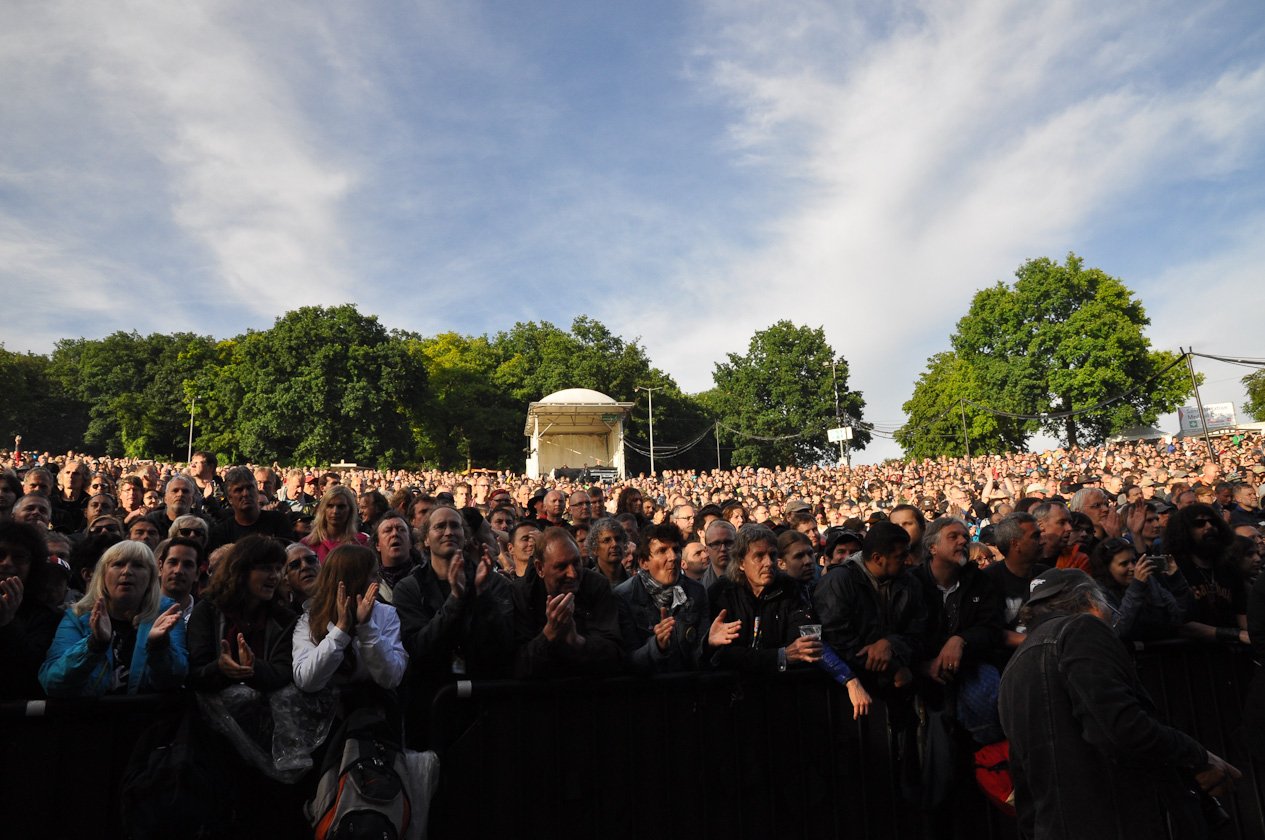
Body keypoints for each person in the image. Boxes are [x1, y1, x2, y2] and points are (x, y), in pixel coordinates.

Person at [998, 568, 1241, 839]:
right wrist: (1198, 756)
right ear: (1091, 600)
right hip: (1120, 820)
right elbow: (1122, 728)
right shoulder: (1081, 628)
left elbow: (1024, 780)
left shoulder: (1014, 667)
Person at [394, 506, 515, 746]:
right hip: (431, 706)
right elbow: (419, 647)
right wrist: (455, 600)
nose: (448, 531)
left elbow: (505, 643)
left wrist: (483, 597)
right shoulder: (408, 588)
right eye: (440, 526)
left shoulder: (492, 582)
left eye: (455, 525)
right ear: (426, 539)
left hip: (484, 703)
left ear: (466, 535)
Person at [39, 540, 185, 696]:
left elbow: (175, 679)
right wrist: (93, 645)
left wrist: (160, 647)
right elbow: (52, 682)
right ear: (103, 575)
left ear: (150, 578)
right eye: (118, 564)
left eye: (138, 565)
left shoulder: (165, 614)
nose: (127, 571)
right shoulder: (78, 616)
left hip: (147, 717)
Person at [912, 517, 1005, 745]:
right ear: (932, 547)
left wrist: (961, 639)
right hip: (919, 673)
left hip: (971, 667)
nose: (963, 540)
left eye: (964, 535)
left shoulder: (980, 581)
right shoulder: (911, 584)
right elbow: (903, 631)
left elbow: (992, 627)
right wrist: (923, 665)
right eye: (953, 537)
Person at [614, 523, 732, 674]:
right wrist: (656, 646)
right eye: (662, 551)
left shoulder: (696, 592)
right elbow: (627, 661)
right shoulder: (624, 597)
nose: (672, 557)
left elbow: (697, 658)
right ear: (644, 562)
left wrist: (708, 644)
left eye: (676, 550)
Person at [292, 543, 407, 696]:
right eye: (372, 575)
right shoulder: (310, 618)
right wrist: (339, 631)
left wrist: (367, 628)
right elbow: (306, 681)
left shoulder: (386, 614)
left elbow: (392, 677)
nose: (378, 581)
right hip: (327, 711)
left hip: (372, 705)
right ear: (353, 581)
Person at [187, 535, 296, 695]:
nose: (274, 576)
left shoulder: (284, 619)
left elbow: (284, 671)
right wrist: (219, 668)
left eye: (278, 569)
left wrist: (252, 667)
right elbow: (195, 672)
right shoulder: (208, 611)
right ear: (241, 570)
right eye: (266, 568)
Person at [512, 526, 623, 679]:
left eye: (576, 563)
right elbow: (517, 666)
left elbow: (616, 653)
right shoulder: (522, 594)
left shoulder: (596, 585)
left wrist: (578, 641)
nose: (572, 574)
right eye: (561, 567)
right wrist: (549, 634)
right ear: (540, 568)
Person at [708, 524, 821, 674]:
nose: (768, 563)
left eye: (772, 555)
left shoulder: (792, 589)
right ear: (741, 563)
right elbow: (723, 655)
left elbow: (803, 648)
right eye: (759, 556)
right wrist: (780, 655)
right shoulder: (721, 592)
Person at [1086, 537, 1189, 642]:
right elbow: (1118, 630)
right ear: (1107, 568)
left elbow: (1181, 616)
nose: (1133, 568)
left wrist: (1176, 580)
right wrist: (1137, 587)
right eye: (1124, 564)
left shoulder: (1149, 581)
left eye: (1134, 561)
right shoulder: (1098, 592)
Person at [0, 521, 60, 699]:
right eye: (0, 554)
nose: (6, 563)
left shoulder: (47, 616)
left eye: (18, 557)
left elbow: (32, 673)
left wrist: (7, 624)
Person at [207, 467, 294, 550]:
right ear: (230, 498)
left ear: (257, 491)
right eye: (239, 490)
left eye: (250, 488)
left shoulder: (279, 521)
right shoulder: (222, 532)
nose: (245, 493)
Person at [302, 485, 369, 563]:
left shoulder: (361, 543)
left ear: (350, 510)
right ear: (323, 509)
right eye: (330, 506)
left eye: (341, 507)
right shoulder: (307, 544)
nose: (335, 511)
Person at [584, 517, 629, 586]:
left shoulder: (635, 583)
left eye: (618, 539)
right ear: (594, 548)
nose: (614, 544)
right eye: (607, 541)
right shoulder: (587, 584)